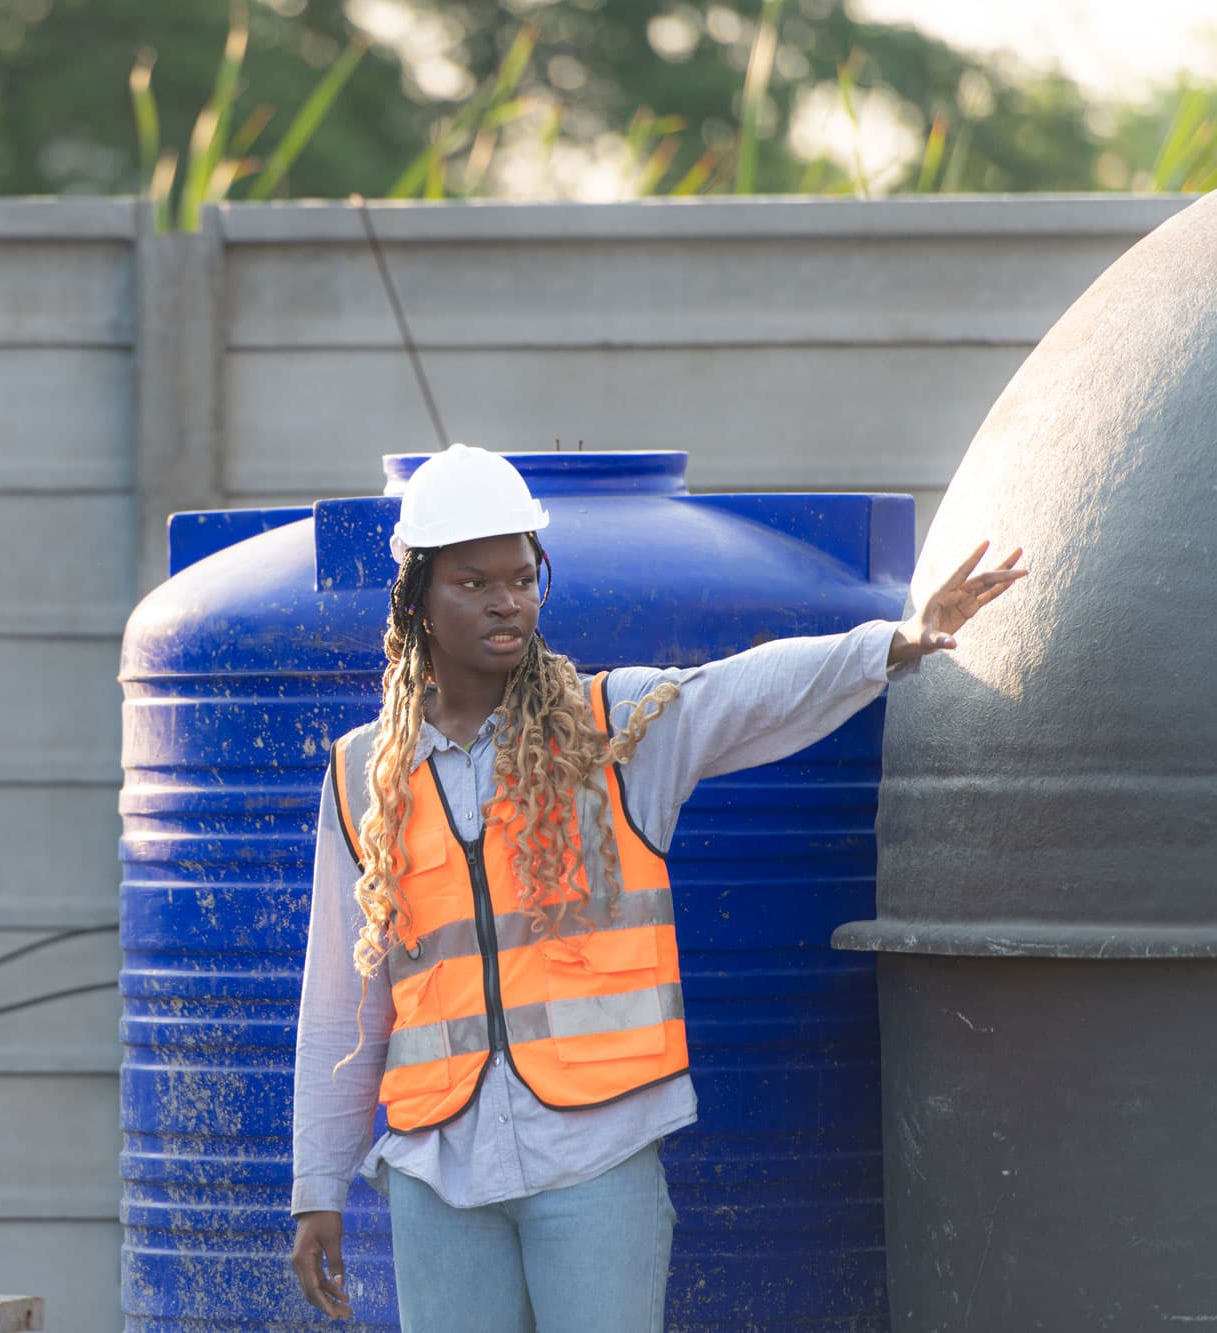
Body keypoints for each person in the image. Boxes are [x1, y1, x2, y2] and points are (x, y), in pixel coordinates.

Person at [287, 444, 1023, 1331]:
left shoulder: (611, 732)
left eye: (522, 578)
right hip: (437, 1175)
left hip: (596, 1158)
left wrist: (895, 645)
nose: (506, 601)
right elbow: (342, 1000)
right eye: (473, 582)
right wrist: (317, 1186)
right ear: (418, 600)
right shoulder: (364, 773)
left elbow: (745, 693)